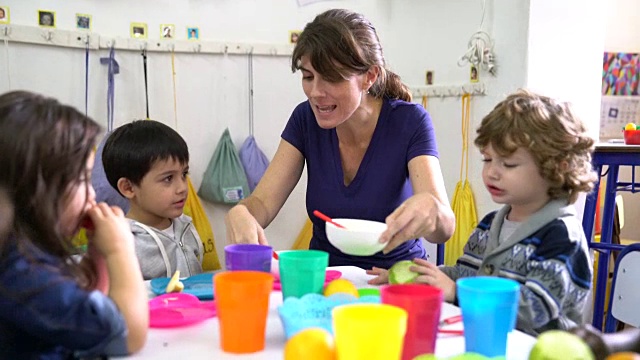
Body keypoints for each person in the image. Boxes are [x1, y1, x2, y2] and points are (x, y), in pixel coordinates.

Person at [225, 9, 455, 270]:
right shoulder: (305, 120)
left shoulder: (410, 122)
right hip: (325, 280)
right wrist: (241, 213)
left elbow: (444, 230)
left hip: (394, 279)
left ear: (370, 77)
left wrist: (433, 211)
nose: (315, 93)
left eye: (332, 78)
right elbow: (262, 204)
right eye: (308, 77)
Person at [369, 89, 597, 336]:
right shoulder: (489, 225)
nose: (492, 172)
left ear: (556, 168)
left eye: (508, 164)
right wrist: (413, 276)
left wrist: (458, 293)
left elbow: (535, 310)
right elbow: (464, 274)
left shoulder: (562, 236)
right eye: (488, 160)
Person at [0, 91, 148, 358]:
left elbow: (91, 307)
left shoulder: (27, 256)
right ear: (39, 193)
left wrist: (98, 256)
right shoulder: (23, 277)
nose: (92, 194)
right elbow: (127, 336)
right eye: (82, 180)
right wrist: (120, 250)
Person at [102, 120, 204, 280]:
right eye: (168, 178)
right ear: (128, 188)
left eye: (184, 174)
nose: (183, 188)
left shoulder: (185, 226)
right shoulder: (124, 244)